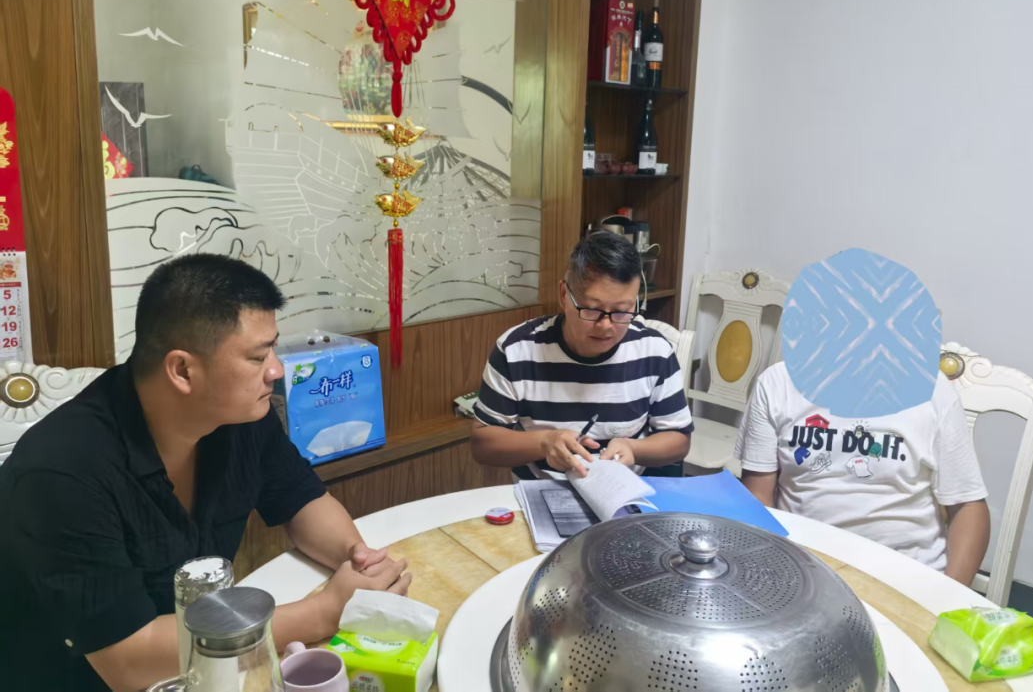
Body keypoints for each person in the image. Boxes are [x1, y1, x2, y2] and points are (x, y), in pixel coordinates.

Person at [0, 254, 411, 692]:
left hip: (207, 662)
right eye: (258, 357)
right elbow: (127, 661)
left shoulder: (241, 416)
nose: (276, 370)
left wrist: (356, 558)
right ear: (182, 370)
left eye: (272, 349)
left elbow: (302, 499)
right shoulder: (63, 472)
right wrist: (324, 612)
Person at [735, 361, 991, 585]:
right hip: (804, 568)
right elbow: (758, 497)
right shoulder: (777, 382)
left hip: (906, 575)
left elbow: (968, 505)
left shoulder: (932, 389)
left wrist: (949, 600)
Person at [470, 232, 693, 479]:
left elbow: (679, 439)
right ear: (564, 295)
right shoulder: (516, 350)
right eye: (592, 310)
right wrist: (544, 443)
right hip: (544, 490)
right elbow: (482, 445)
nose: (606, 325)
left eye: (622, 311)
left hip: (624, 492)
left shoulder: (654, 351)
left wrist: (634, 448)